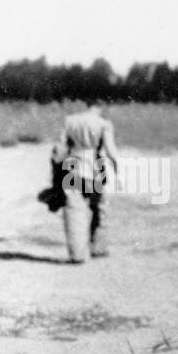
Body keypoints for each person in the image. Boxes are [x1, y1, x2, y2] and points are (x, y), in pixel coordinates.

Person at [60, 105, 120, 262]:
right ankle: (98, 247)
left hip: (73, 167)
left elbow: (60, 148)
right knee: (100, 209)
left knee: (74, 211)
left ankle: (77, 254)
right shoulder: (104, 124)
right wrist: (118, 172)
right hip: (95, 168)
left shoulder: (69, 121)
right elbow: (111, 151)